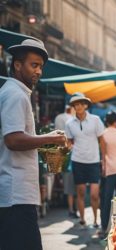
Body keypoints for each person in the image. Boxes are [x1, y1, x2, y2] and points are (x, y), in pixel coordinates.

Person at [0, 38, 67, 250]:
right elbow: (13, 140)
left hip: (17, 194)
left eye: (41, 67)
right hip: (15, 195)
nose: (38, 71)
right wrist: (51, 138)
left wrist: (47, 144)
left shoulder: (16, 93)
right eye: (34, 65)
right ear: (18, 65)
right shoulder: (15, 95)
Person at [65, 93, 105, 227]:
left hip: (93, 161)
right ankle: (82, 219)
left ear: (86, 105)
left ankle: (95, 220)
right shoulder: (69, 123)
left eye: (81, 103)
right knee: (80, 192)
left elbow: (102, 140)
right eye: (76, 104)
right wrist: (64, 148)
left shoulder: (96, 120)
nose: (79, 106)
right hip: (78, 161)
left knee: (94, 194)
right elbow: (70, 142)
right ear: (73, 107)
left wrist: (104, 160)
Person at [55, 105, 78, 218]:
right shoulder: (70, 120)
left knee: (70, 190)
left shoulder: (59, 118)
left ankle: (71, 209)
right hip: (73, 167)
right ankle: (73, 209)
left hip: (68, 168)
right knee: (74, 191)